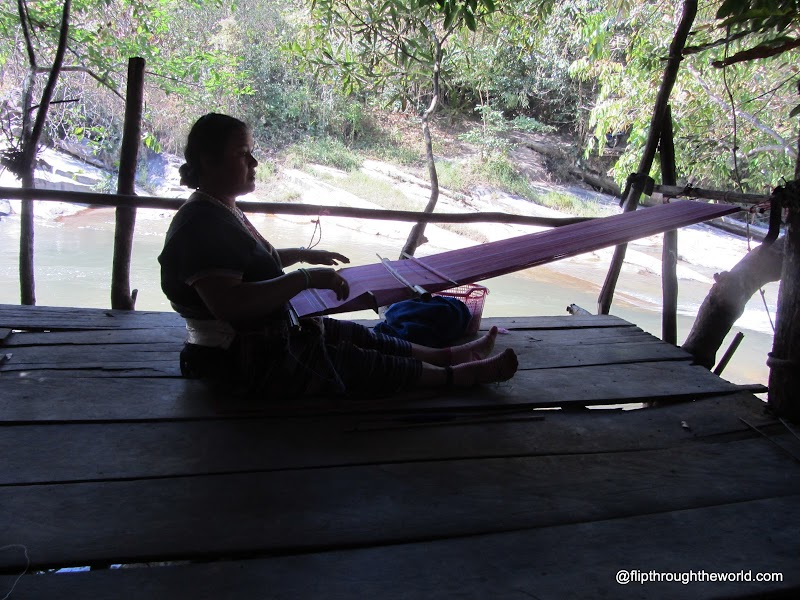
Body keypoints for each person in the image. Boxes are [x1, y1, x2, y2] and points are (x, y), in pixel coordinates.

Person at [158, 113, 518, 399]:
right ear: (209, 160)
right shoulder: (201, 223)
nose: (254, 162)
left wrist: (302, 255)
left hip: (260, 338)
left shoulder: (220, 209)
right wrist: (305, 279)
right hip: (237, 360)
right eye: (242, 153)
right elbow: (229, 304)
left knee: (351, 333)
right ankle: (455, 376)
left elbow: (250, 265)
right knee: (351, 360)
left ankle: (445, 356)